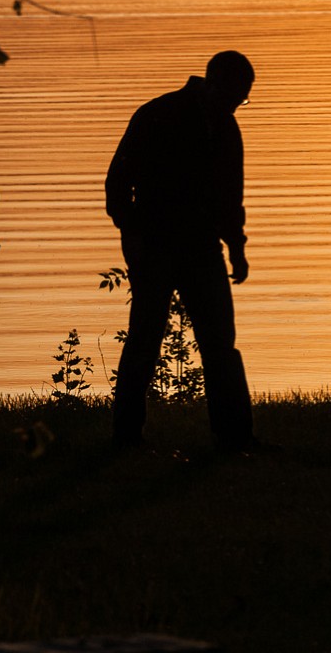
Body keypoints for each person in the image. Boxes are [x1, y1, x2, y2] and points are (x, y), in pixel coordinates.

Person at [106, 50, 256, 452]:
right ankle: (126, 438)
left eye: (242, 100)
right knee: (144, 340)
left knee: (220, 342)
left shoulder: (225, 126)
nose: (236, 106)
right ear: (213, 83)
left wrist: (236, 247)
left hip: (202, 248)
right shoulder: (157, 114)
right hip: (154, 244)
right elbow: (117, 183)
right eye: (234, 97)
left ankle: (235, 436)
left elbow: (230, 195)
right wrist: (132, 233)